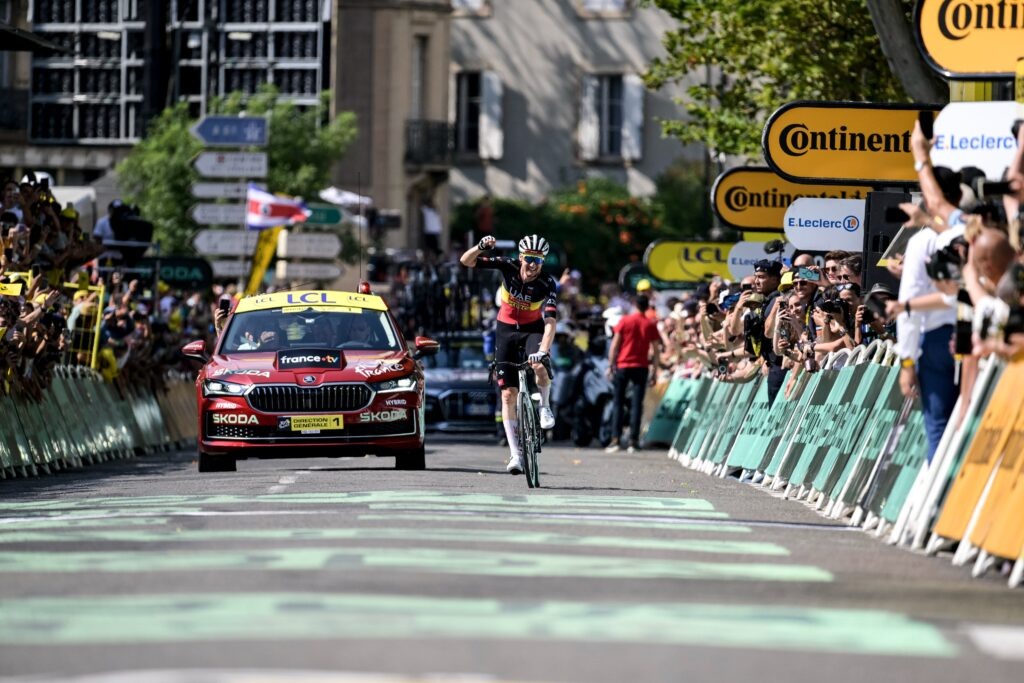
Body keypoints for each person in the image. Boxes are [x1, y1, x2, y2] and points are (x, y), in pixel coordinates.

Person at [460, 233, 559, 474]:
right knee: (507, 395)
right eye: (529, 259)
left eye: (539, 260)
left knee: (538, 365)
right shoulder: (508, 265)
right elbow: (466, 261)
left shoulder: (547, 282)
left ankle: (544, 405)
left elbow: (550, 322)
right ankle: (515, 455)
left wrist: (543, 350)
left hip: (531, 330)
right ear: (521, 257)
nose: (533, 265)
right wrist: (481, 247)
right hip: (505, 329)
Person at [604, 294, 661, 453]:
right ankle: (633, 441)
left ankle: (615, 439)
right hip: (641, 366)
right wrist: (654, 371)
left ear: (635, 304)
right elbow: (656, 351)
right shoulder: (650, 324)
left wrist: (610, 365)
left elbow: (615, 344)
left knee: (618, 402)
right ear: (647, 306)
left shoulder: (625, 321)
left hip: (623, 365)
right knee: (637, 404)